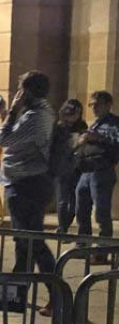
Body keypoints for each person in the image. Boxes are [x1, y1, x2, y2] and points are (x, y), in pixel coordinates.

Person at [0, 71, 57, 315]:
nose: (18, 93)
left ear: (30, 91)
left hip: (28, 185)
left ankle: (57, 295)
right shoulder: (33, 114)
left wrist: (11, 111)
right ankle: (16, 294)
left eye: (21, 88)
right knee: (25, 243)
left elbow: (4, 139)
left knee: (33, 243)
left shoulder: (37, 116)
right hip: (22, 182)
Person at [74, 91, 119, 263]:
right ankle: (83, 246)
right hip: (86, 170)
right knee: (81, 208)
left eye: (97, 104)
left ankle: (102, 250)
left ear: (108, 105)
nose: (93, 108)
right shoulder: (95, 124)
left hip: (102, 171)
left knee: (101, 212)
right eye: (91, 105)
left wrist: (97, 137)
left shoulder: (113, 123)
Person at [54, 100, 86, 234]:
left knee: (74, 201)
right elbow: (62, 149)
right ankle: (62, 228)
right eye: (73, 112)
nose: (75, 115)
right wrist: (78, 144)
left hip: (77, 168)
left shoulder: (82, 126)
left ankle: (66, 224)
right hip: (62, 168)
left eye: (78, 112)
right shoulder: (59, 128)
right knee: (62, 200)